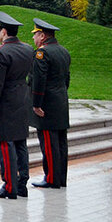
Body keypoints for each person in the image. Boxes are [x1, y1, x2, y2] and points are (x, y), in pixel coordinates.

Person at [0, 12, 34, 200]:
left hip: (6, 103)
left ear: (4, 31)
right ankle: (22, 184)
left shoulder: (1, 53)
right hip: (22, 99)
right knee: (21, 143)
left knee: (6, 144)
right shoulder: (28, 49)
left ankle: (9, 185)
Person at [29, 18, 71, 189]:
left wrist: (36, 104)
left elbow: (38, 81)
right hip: (60, 100)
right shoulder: (63, 51)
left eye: (35, 35)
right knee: (61, 142)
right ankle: (61, 178)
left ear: (43, 36)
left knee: (49, 143)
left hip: (46, 104)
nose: (33, 39)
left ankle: (51, 178)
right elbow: (66, 79)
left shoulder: (42, 53)